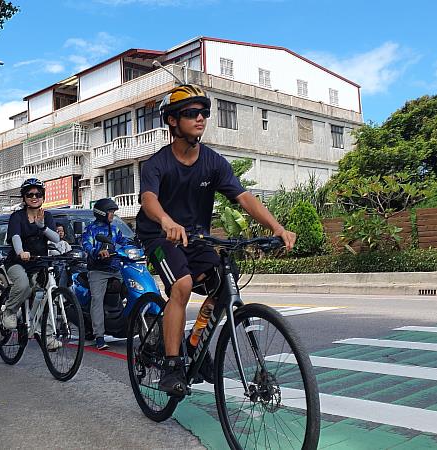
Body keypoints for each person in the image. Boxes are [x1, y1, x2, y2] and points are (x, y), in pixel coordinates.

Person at [136, 84, 296, 397]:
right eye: (192, 113)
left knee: (225, 281)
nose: (201, 118)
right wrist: (166, 220)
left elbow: (244, 197)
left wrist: (277, 227)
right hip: (159, 235)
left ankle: (195, 342)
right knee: (181, 285)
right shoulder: (157, 164)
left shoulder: (213, 162)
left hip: (196, 238)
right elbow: (148, 199)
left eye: (204, 112)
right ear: (172, 121)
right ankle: (171, 366)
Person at [0, 178, 62, 351]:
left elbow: (56, 239)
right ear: (24, 197)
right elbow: (15, 237)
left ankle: (48, 336)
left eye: (38, 194)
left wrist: (43, 228)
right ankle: (10, 311)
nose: (34, 197)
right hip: (17, 262)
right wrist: (21, 252)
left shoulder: (47, 216)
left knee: (49, 296)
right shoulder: (17, 217)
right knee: (23, 286)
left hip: (39, 262)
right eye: (30, 194)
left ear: (43, 196)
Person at [81, 198, 128, 350]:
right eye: (111, 212)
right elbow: (86, 244)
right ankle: (99, 335)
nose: (112, 215)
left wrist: (136, 244)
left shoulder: (115, 229)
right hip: (98, 271)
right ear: (102, 213)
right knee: (97, 300)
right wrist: (97, 252)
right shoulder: (91, 229)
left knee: (132, 288)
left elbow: (124, 241)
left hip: (116, 269)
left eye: (114, 212)